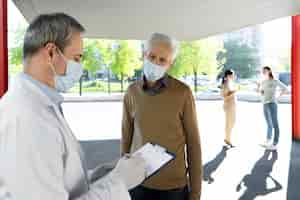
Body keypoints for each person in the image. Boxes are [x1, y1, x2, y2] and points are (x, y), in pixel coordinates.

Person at [0, 13, 147, 200]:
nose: (80, 67)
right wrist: (119, 183)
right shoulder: (28, 119)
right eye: (76, 58)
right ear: (51, 52)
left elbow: (58, 180)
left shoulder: (38, 107)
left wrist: (99, 176)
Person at [121, 33, 202, 200]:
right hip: (138, 185)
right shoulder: (132, 92)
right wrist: (122, 179)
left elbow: (193, 143)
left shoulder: (183, 93)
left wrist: (195, 193)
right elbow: (126, 138)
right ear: (144, 54)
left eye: (162, 60)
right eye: (152, 56)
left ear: (170, 63)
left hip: (173, 189)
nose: (156, 63)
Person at [257, 66, 289, 150]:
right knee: (268, 124)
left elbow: (286, 89)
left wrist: (278, 97)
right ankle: (268, 141)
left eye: (265, 70)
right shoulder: (263, 81)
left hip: (272, 104)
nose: (263, 72)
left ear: (269, 71)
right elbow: (262, 92)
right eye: (262, 71)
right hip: (265, 104)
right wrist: (258, 89)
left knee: (275, 124)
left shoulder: (275, 81)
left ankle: (275, 143)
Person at [221, 69, 238, 147]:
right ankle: (228, 139)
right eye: (232, 75)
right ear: (228, 75)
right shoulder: (225, 84)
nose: (233, 76)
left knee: (232, 121)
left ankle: (227, 138)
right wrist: (233, 92)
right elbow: (224, 95)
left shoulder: (230, 83)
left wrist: (233, 91)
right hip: (228, 106)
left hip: (232, 105)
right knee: (229, 123)